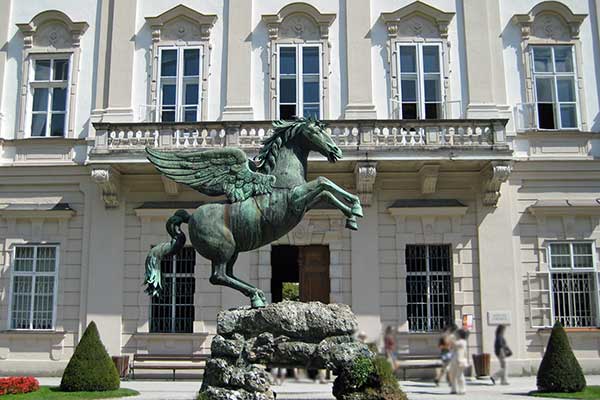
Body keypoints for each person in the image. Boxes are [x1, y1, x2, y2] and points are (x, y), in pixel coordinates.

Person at [449, 329, 469, 395]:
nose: (456, 335)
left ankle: (462, 390)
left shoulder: (462, 341)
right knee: (452, 375)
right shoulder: (458, 341)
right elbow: (451, 347)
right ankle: (453, 389)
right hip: (454, 360)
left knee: (459, 375)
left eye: (457, 334)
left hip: (460, 361)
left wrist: (451, 337)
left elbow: (453, 344)